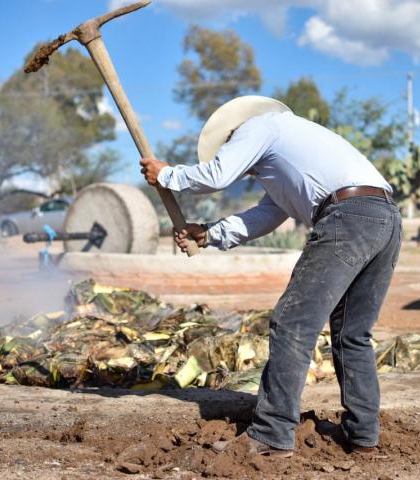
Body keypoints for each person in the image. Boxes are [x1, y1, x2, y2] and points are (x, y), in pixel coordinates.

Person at [140, 96, 402, 457]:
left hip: (348, 215)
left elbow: (218, 175)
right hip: (384, 217)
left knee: (293, 322)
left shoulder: (259, 127)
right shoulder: (290, 152)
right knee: (352, 333)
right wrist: (210, 233)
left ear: (233, 137)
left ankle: (271, 434)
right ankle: (363, 437)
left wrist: (167, 174)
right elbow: (265, 216)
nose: (246, 170)